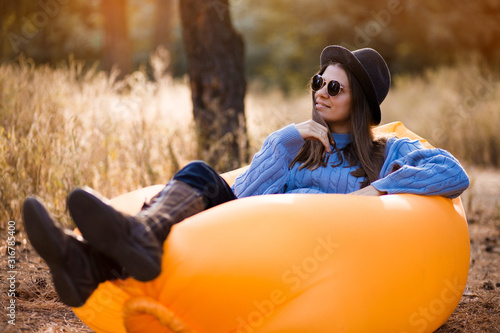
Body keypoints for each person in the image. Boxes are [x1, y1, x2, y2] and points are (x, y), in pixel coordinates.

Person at [22, 45, 470, 308]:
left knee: (196, 181)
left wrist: (377, 188)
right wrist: (287, 139)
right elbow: (243, 196)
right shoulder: (297, 150)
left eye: (335, 87)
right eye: (318, 81)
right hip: (252, 241)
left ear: (360, 105)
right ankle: (88, 261)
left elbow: (450, 172)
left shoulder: (388, 150)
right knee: (200, 174)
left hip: (303, 259)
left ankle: (96, 260)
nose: (320, 91)